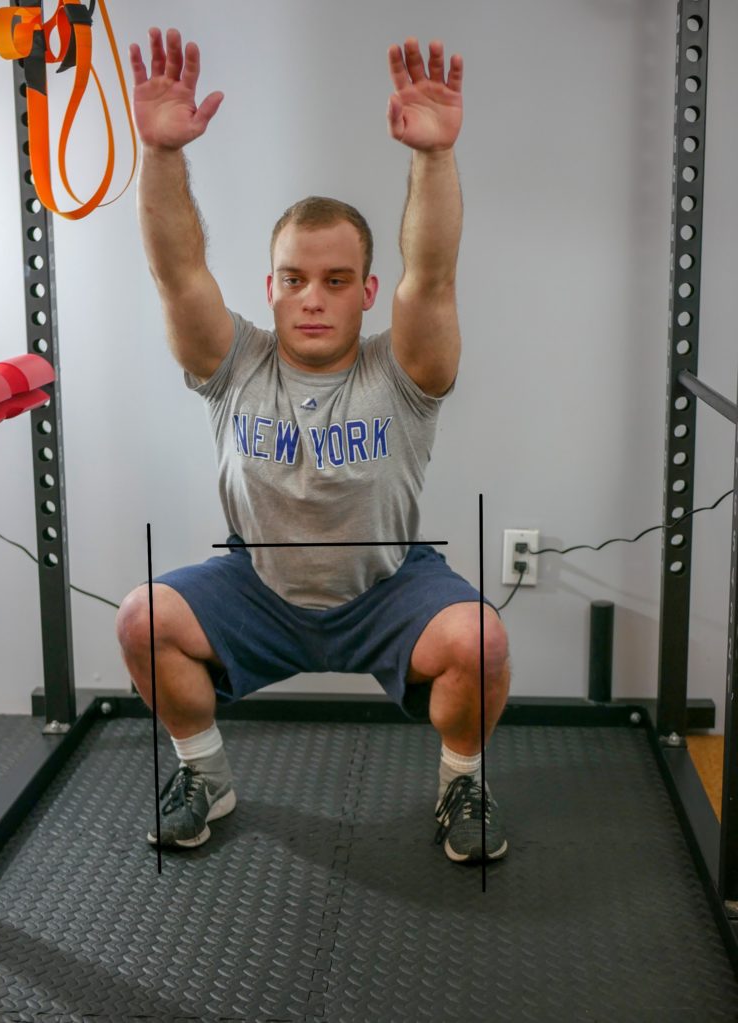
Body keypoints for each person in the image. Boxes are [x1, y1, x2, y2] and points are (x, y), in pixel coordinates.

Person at [117, 26, 511, 866]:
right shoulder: (235, 365)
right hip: (257, 587)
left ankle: (461, 781)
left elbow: (431, 275)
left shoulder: (403, 370)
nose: (312, 298)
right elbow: (177, 271)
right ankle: (204, 776)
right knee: (142, 619)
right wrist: (158, 152)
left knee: (482, 640)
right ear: (270, 286)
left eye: (336, 281)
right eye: (294, 278)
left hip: (386, 587)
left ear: (367, 291)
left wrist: (434, 159)